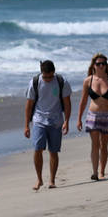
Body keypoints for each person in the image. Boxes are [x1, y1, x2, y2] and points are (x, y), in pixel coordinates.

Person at [25, 60, 72, 190]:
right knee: (37, 149)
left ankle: (52, 180)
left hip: (56, 121)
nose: (47, 79)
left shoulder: (62, 82)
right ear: (41, 73)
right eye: (45, 77)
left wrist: (67, 121)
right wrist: (26, 125)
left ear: (54, 72)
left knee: (53, 151)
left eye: (50, 76)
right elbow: (29, 105)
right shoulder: (34, 82)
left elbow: (67, 103)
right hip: (39, 119)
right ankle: (39, 179)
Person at [76, 53, 108, 180]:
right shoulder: (88, 81)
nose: (101, 66)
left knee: (104, 145)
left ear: (106, 66)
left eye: (103, 64)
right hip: (93, 115)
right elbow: (83, 101)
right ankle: (95, 172)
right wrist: (79, 118)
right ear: (93, 66)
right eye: (98, 64)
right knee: (95, 144)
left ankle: (102, 171)